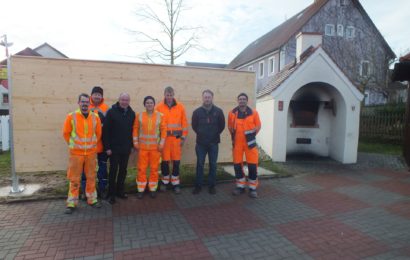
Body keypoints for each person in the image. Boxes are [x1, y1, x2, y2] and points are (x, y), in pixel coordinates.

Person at [62, 93, 102, 214]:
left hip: (90, 153)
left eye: (86, 102)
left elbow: (98, 134)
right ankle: (72, 202)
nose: (84, 104)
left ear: (89, 103)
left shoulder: (95, 117)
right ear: (78, 103)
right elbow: (66, 133)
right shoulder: (71, 116)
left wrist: (92, 145)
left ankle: (92, 199)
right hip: (76, 154)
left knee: (91, 177)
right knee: (74, 179)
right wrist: (74, 145)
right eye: (82, 102)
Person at [103, 93, 136, 204]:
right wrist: (107, 147)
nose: (124, 102)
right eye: (122, 99)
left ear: (129, 101)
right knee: (113, 171)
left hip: (126, 148)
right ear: (119, 100)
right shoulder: (111, 112)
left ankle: (120, 191)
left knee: (123, 171)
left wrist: (131, 146)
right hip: (113, 149)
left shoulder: (132, 114)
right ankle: (111, 193)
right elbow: (105, 131)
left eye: (126, 100)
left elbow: (133, 132)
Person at [228, 93, 261, 198]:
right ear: (238, 101)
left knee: (252, 166)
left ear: (247, 101)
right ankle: (240, 186)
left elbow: (258, 126)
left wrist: (251, 136)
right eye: (240, 99)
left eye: (244, 99)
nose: (242, 101)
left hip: (250, 144)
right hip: (237, 143)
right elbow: (230, 127)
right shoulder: (232, 113)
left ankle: (252, 188)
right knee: (237, 166)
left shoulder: (254, 113)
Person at [191, 89, 225, 195]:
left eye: (209, 97)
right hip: (201, 144)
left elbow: (222, 126)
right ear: (202, 98)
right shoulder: (196, 112)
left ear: (212, 98)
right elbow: (194, 126)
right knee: (200, 164)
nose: (207, 99)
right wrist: (201, 134)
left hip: (213, 143)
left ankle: (212, 186)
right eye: (205, 97)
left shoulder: (218, 111)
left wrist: (214, 134)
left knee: (213, 164)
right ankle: (198, 185)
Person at [156, 86, 188, 194]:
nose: (169, 97)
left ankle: (175, 183)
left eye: (171, 95)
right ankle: (165, 182)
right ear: (164, 95)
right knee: (164, 162)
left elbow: (184, 124)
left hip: (176, 139)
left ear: (173, 95)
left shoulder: (180, 107)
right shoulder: (159, 107)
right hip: (164, 139)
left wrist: (183, 137)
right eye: (167, 95)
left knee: (176, 162)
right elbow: (156, 124)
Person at [133, 96, 167, 199]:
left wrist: (161, 143)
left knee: (154, 169)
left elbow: (164, 131)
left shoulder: (160, 116)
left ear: (154, 104)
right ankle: (141, 189)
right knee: (141, 169)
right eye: (147, 102)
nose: (149, 104)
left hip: (155, 149)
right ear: (144, 104)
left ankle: (153, 188)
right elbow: (135, 129)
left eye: (151, 102)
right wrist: (135, 142)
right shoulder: (139, 115)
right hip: (142, 148)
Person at [80, 86, 109, 199]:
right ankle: (86, 191)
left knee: (102, 170)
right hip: (87, 147)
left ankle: (102, 190)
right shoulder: (86, 106)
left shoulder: (106, 108)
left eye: (99, 94)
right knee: (86, 172)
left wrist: (107, 146)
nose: (97, 96)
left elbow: (108, 128)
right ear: (91, 95)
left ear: (102, 96)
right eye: (95, 94)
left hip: (102, 146)